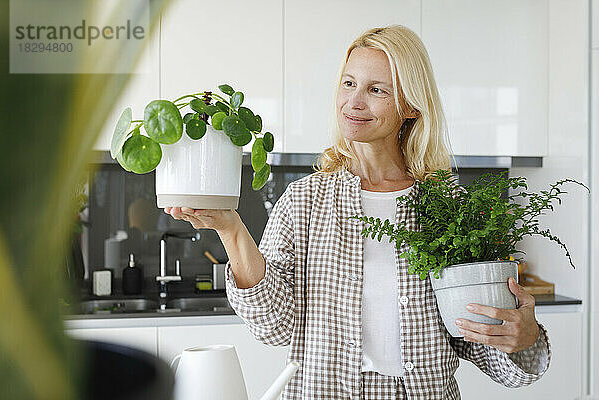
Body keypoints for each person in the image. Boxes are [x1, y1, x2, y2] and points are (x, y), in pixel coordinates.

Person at [164, 24, 550, 400]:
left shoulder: (448, 206)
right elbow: (274, 327)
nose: (354, 101)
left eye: (377, 89)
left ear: (411, 106)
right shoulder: (304, 201)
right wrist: (231, 229)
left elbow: (477, 338)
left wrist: (523, 335)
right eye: (348, 84)